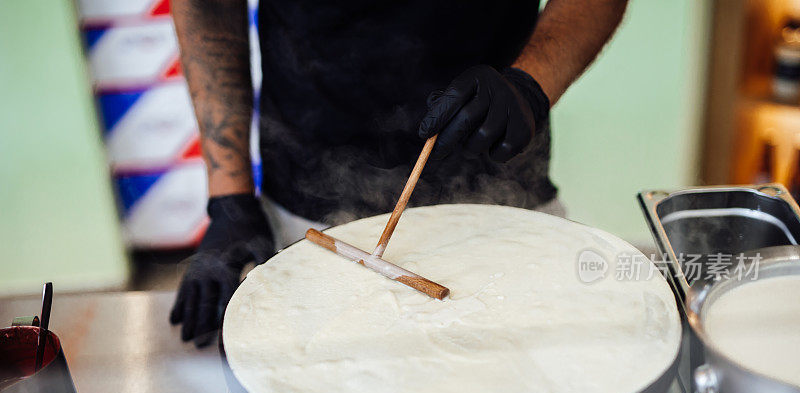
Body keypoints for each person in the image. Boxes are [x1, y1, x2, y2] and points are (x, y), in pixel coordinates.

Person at [169, 0, 628, 346]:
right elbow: (208, 6)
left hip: (504, 200)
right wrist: (229, 199)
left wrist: (530, 84)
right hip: (310, 210)